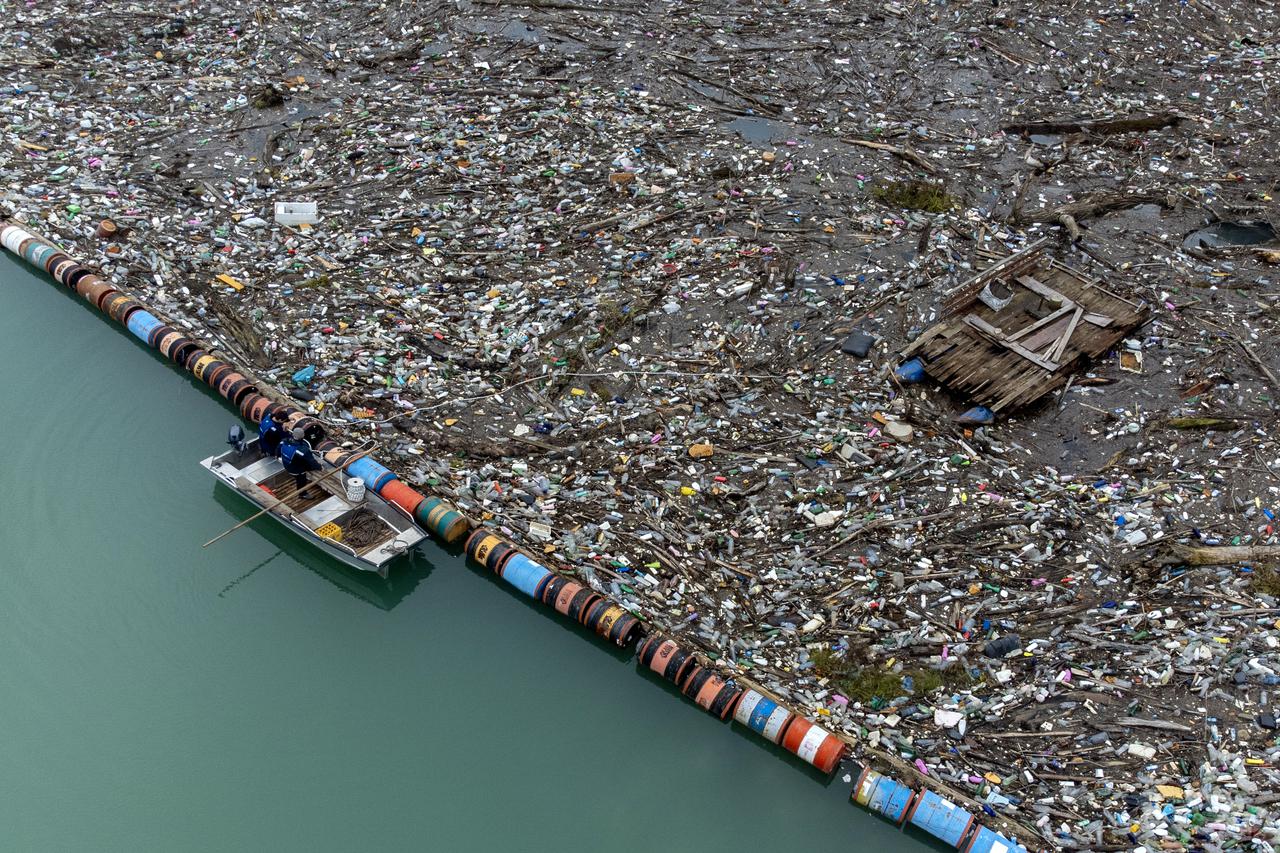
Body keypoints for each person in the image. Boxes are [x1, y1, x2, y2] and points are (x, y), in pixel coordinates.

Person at [280, 427, 322, 499]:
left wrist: (277, 456)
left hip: (287, 464)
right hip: (297, 470)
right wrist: (319, 467)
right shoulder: (303, 450)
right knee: (301, 481)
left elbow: (278, 449)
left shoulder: (284, 441)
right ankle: (302, 494)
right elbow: (312, 461)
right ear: (303, 435)